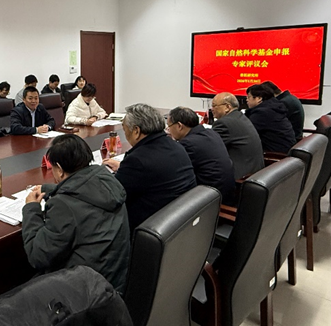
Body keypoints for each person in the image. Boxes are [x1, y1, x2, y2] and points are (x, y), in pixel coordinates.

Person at [22, 134, 130, 293]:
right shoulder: (107, 179)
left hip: (85, 293)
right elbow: (84, 190)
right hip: (114, 280)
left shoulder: (63, 206)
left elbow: (37, 255)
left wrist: (31, 208)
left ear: (59, 169)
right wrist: (50, 189)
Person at [103, 103, 196, 231]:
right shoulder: (176, 146)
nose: (125, 134)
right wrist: (123, 168)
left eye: (125, 129)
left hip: (149, 227)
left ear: (136, 131)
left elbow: (112, 196)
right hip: (179, 222)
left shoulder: (137, 160)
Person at [168, 107, 235, 205]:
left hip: (211, 199)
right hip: (228, 192)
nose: (168, 130)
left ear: (179, 126)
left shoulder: (187, 144)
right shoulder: (211, 133)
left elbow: (175, 173)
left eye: (169, 126)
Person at [211, 92, 265, 180]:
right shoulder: (241, 117)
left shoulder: (224, 123)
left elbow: (209, 148)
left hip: (240, 177)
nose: (212, 109)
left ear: (227, 107)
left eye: (214, 106)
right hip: (254, 172)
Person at [245, 84, 296, 153]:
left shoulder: (262, 113)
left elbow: (246, 132)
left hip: (275, 153)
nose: (246, 100)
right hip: (286, 148)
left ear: (259, 98)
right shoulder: (274, 107)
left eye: (249, 97)